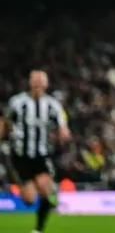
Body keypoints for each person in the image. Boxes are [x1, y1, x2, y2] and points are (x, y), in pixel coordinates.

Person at [0, 70, 70, 233]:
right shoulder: (17, 102)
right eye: (35, 81)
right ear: (30, 83)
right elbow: (6, 121)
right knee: (30, 200)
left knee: (46, 190)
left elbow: (62, 124)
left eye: (41, 82)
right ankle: (41, 194)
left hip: (42, 155)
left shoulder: (53, 105)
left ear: (46, 84)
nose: (38, 84)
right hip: (20, 156)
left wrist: (63, 131)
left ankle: (38, 229)